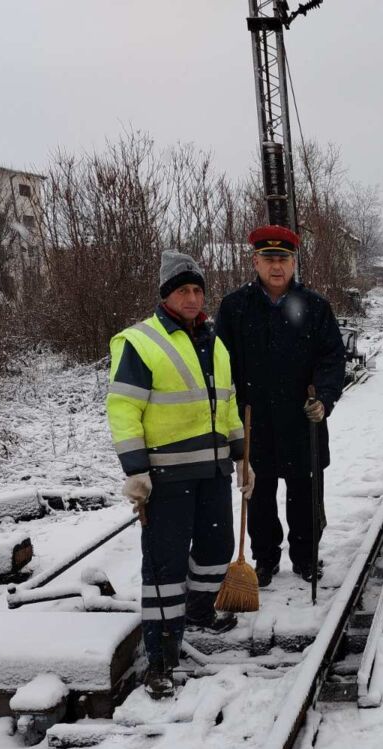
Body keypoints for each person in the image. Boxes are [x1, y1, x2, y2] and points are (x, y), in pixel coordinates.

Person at [107, 250, 254, 699]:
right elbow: (124, 409)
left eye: (197, 290)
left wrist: (243, 457)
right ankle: (161, 656)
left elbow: (227, 406)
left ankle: (198, 610)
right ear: (166, 295)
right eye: (182, 290)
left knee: (215, 551)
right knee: (164, 567)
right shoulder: (140, 341)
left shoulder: (215, 342)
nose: (192, 298)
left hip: (212, 470)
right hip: (165, 476)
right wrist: (136, 471)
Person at [216, 225, 346, 587]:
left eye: (284, 259)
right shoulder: (235, 308)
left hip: (303, 418)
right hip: (253, 419)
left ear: (294, 262)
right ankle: (265, 558)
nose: (277, 266)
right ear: (255, 261)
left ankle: (306, 557)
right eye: (269, 259)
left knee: (306, 493)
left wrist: (323, 397)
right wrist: (231, 412)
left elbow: (333, 358)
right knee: (258, 494)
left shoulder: (315, 306)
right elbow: (221, 363)